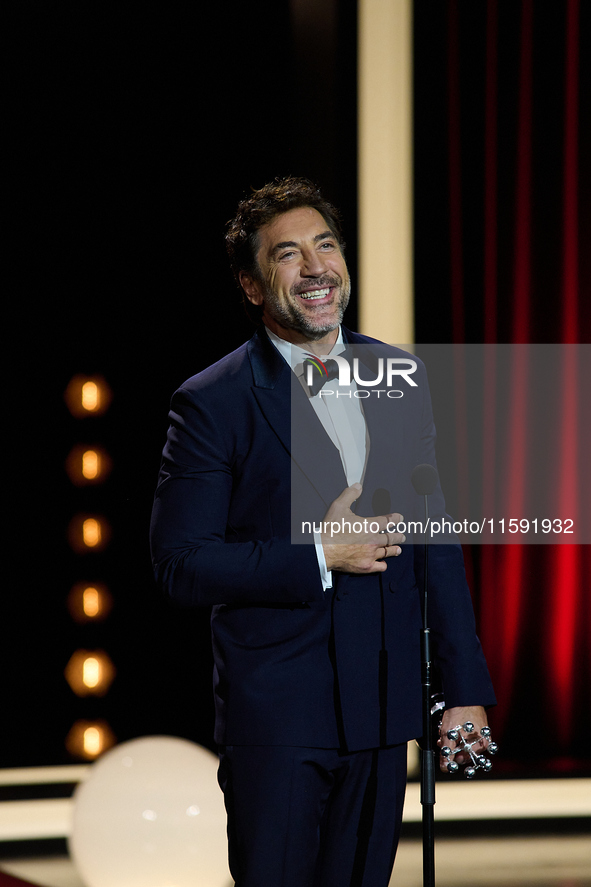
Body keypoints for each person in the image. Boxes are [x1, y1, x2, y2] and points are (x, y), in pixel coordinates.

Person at [150, 176, 496, 887]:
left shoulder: (398, 373)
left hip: (381, 700)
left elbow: (434, 538)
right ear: (252, 286)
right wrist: (315, 554)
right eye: (287, 254)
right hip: (278, 712)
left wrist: (463, 689)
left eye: (325, 245)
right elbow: (180, 564)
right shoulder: (212, 401)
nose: (314, 267)